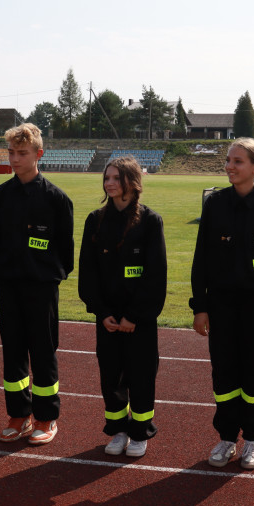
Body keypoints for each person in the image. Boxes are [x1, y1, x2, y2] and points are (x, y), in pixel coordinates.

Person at [191, 139, 254, 470]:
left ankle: (251, 441)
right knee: (223, 375)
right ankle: (225, 438)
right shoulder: (215, 203)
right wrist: (200, 306)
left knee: (253, 377)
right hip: (220, 307)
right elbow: (201, 260)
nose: (230, 166)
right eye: (228, 161)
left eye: (238, 161)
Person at [80, 157, 167, 458]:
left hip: (138, 321)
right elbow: (88, 273)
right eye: (107, 177)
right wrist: (102, 313)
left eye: (117, 177)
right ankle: (117, 430)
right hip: (108, 320)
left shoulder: (150, 221)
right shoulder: (96, 219)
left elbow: (156, 276)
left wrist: (134, 316)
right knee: (111, 377)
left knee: (141, 377)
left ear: (132, 181)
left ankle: (141, 432)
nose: (110, 183)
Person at [0, 123, 74, 445]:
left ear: (38, 154)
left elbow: (65, 252)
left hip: (41, 290)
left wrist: (46, 275)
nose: (14, 158)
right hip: (10, 289)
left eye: (22, 153)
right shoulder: (2, 194)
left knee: (43, 353)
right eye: (11, 152)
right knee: (12, 352)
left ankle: (46, 417)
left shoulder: (56, 198)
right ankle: (19, 415)